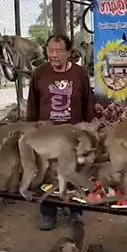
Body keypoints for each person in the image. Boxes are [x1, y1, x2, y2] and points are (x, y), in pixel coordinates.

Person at [26, 33, 95, 231]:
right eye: (50, 50)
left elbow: (87, 102)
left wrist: (88, 129)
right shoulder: (40, 73)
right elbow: (33, 103)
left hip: (73, 135)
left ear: (68, 52)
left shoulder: (79, 73)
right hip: (47, 136)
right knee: (46, 173)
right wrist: (32, 127)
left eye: (58, 51)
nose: (53, 55)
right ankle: (48, 212)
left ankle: (76, 211)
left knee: (74, 171)